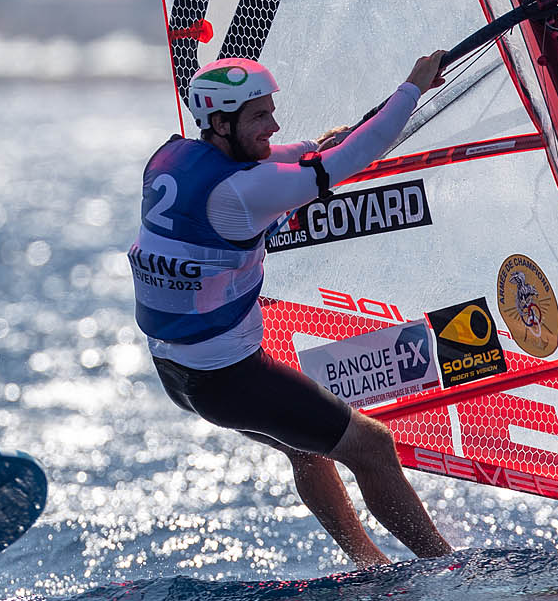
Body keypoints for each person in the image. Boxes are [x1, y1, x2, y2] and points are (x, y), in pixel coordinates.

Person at [130, 53, 453, 567]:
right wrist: (411, 88)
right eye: (259, 116)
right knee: (371, 446)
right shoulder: (244, 191)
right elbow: (353, 160)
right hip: (226, 377)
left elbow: (279, 156)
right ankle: (444, 569)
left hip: (176, 371)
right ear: (220, 122)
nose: (273, 124)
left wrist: (310, 147)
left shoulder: (171, 159)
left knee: (305, 444)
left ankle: (370, 565)